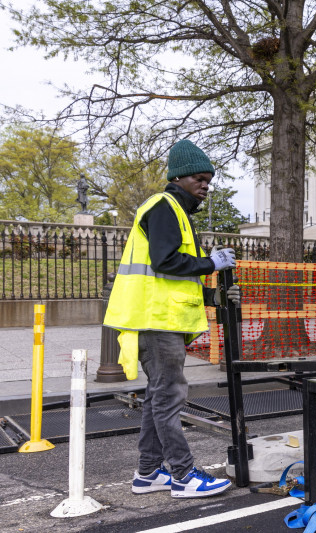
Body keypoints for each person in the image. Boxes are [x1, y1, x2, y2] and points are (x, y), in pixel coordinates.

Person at [104, 139, 238, 499]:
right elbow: (166, 262)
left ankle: (148, 473)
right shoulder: (164, 207)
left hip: (158, 319)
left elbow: (176, 276)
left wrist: (213, 295)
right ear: (178, 177)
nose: (205, 185)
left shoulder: (173, 211)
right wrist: (212, 263)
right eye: (199, 178)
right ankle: (182, 476)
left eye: (209, 179)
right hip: (156, 322)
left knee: (156, 398)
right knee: (168, 399)